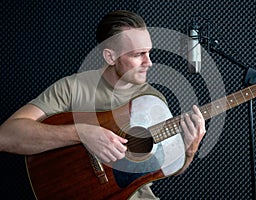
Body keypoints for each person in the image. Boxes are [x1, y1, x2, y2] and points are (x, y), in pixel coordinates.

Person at [0, 10, 206, 199]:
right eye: (138, 54)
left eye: (149, 52)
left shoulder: (153, 99)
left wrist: (188, 151)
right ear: (110, 56)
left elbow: (159, 169)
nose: (149, 62)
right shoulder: (73, 88)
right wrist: (81, 133)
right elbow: (5, 137)